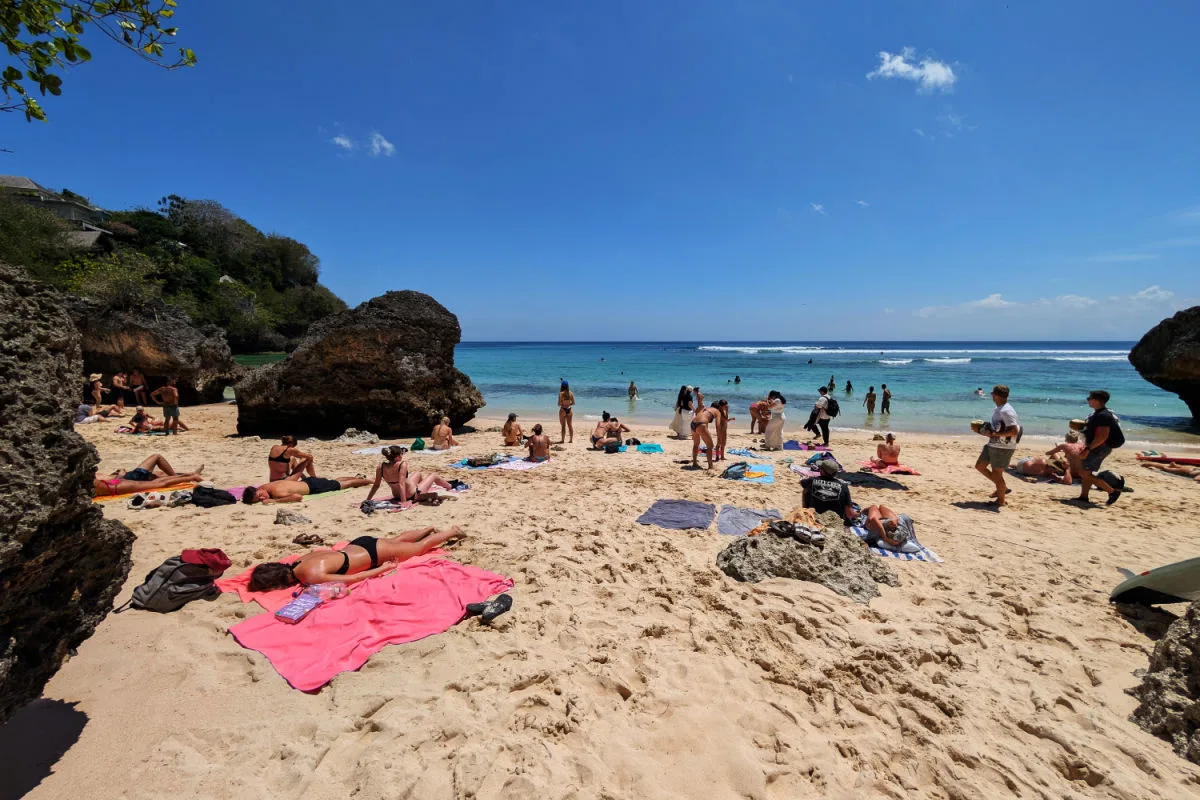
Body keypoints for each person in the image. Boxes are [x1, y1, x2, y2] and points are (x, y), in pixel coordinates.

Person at [246, 526, 467, 591]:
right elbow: (321, 553)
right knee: (396, 539)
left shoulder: (310, 578)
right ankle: (427, 527)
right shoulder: (298, 562)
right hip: (359, 544)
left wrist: (383, 569)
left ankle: (452, 531)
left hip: (373, 555)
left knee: (420, 548)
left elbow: (353, 579)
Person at [1074, 390, 1125, 505]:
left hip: (1100, 446)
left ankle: (1112, 491)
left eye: (1090, 398)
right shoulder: (1098, 413)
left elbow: (1102, 436)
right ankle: (1083, 496)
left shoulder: (1103, 415)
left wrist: (1088, 449)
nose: (1088, 400)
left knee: (1083, 472)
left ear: (1097, 401)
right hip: (1096, 445)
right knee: (1087, 470)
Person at [974, 384, 1020, 506]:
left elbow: (1014, 431)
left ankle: (1001, 499)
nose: (991, 396)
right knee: (980, 466)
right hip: (994, 445)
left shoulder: (1006, 411)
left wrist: (995, 434)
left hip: (1003, 447)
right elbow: (1000, 427)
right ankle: (1002, 488)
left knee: (997, 473)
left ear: (997, 395)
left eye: (993, 393)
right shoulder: (999, 408)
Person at [365, 445, 452, 503]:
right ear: (397, 456)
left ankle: (423, 490)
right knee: (434, 475)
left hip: (396, 496)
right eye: (401, 454)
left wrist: (368, 499)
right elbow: (401, 484)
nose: (402, 456)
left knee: (417, 474)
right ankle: (449, 486)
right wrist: (404, 502)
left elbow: (376, 485)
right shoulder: (402, 464)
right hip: (411, 495)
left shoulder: (381, 466)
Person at [93, 454, 204, 497]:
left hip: (114, 485)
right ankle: (190, 476)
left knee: (158, 480)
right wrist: (120, 475)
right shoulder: (90, 480)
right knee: (158, 482)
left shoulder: (86, 480)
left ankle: (190, 476)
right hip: (114, 486)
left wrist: (117, 475)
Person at [800, 459, 860, 524]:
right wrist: (859, 515)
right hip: (834, 522)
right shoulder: (843, 486)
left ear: (822, 471)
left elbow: (802, 483)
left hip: (813, 519)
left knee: (806, 490)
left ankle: (805, 510)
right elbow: (849, 514)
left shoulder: (811, 481)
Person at [242, 474, 372, 504]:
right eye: (258, 500)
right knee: (334, 481)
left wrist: (275, 501)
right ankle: (358, 476)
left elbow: (298, 497)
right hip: (307, 481)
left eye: (260, 496)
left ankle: (368, 481)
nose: (263, 498)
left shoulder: (276, 493)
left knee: (346, 484)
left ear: (258, 490)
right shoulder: (265, 486)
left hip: (314, 487)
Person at [690, 405, 718, 469]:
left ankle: (694, 463)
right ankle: (710, 466)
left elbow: (700, 417)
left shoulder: (705, 409)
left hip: (693, 423)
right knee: (710, 446)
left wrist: (705, 433)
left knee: (696, 444)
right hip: (701, 424)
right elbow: (718, 425)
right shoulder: (717, 411)